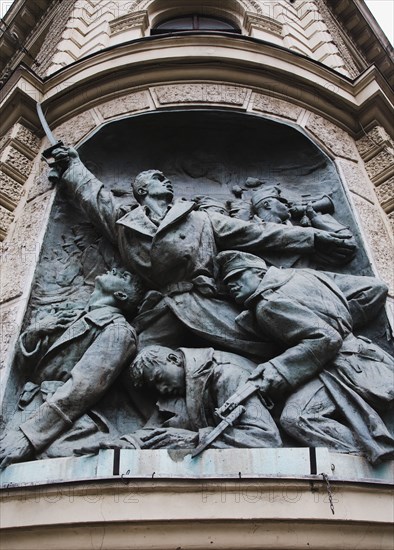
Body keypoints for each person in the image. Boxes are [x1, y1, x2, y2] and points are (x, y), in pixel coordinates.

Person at [49, 147, 355, 357]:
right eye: (157, 179)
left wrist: (313, 238)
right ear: (141, 191)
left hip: (206, 300)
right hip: (162, 306)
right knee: (132, 357)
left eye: (165, 178)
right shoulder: (124, 223)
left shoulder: (201, 219)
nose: (166, 180)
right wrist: (72, 164)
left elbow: (260, 233)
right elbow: (95, 197)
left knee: (269, 345)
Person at [217, 250, 394, 464]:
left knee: (296, 418)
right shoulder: (307, 275)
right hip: (366, 355)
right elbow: (375, 288)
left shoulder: (268, 303)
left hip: (341, 368)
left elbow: (326, 339)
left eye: (237, 277)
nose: (232, 286)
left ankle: (363, 461)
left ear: (258, 272)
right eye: (228, 283)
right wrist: (339, 321)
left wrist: (278, 368)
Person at [0, 268, 144, 469]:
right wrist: (35, 332)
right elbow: (26, 370)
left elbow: (83, 387)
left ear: (121, 295)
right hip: (27, 406)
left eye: (123, 276)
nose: (114, 269)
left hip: (58, 424)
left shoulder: (118, 331)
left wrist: (29, 436)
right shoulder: (71, 316)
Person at [80, 345, 282, 451]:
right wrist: (126, 443)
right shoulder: (179, 386)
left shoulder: (227, 374)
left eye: (159, 378)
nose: (162, 389)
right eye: (155, 386)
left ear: (174, 359)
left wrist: (193, 439)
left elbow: (266, 439)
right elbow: (155, 429)